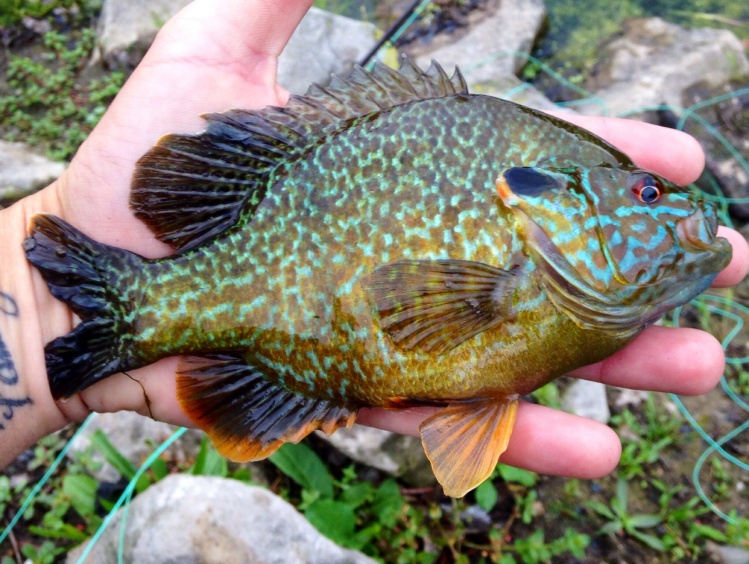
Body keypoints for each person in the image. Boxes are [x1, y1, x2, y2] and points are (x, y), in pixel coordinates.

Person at [0, 0, 747, 475]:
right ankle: (125, 312)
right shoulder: (523, 273)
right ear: (537, 202)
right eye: (644, 193)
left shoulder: (567, 290)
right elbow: (417, 307)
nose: (665, 209)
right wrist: (34, 319)